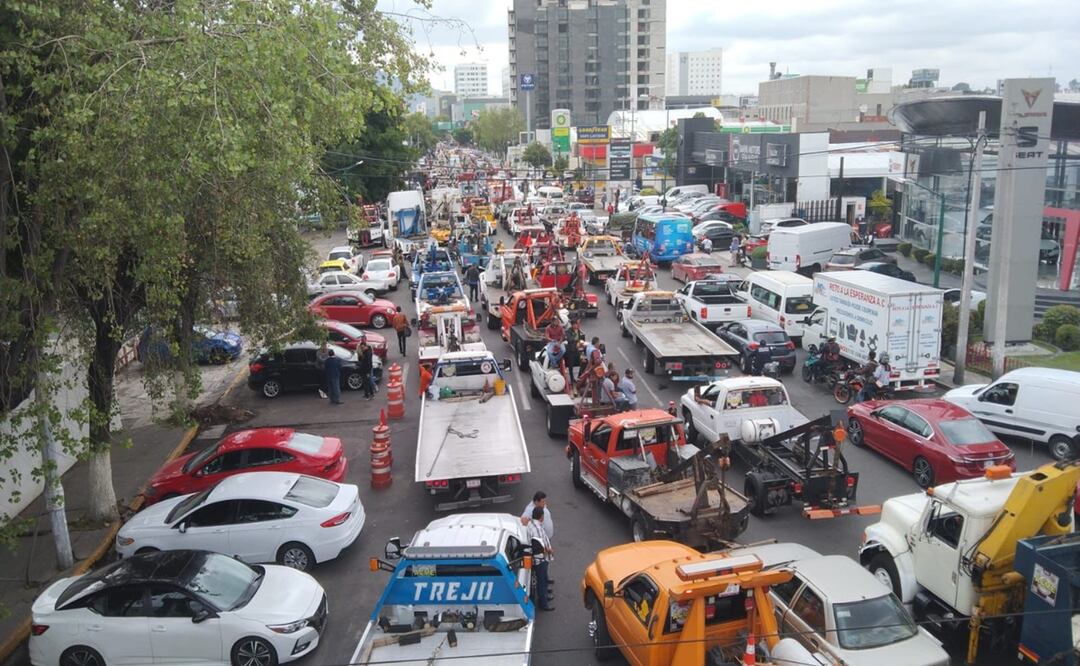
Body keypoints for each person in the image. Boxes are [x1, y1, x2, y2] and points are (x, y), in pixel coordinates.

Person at [527, 506, 555, 611]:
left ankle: (544, 597)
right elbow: (539, 545)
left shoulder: (531, 524)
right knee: (541, 581)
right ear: (541, 517)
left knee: (542, 579)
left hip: (537, 559)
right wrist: (549, 550)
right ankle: (543, 604)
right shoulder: (537, 529)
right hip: (540, 560)